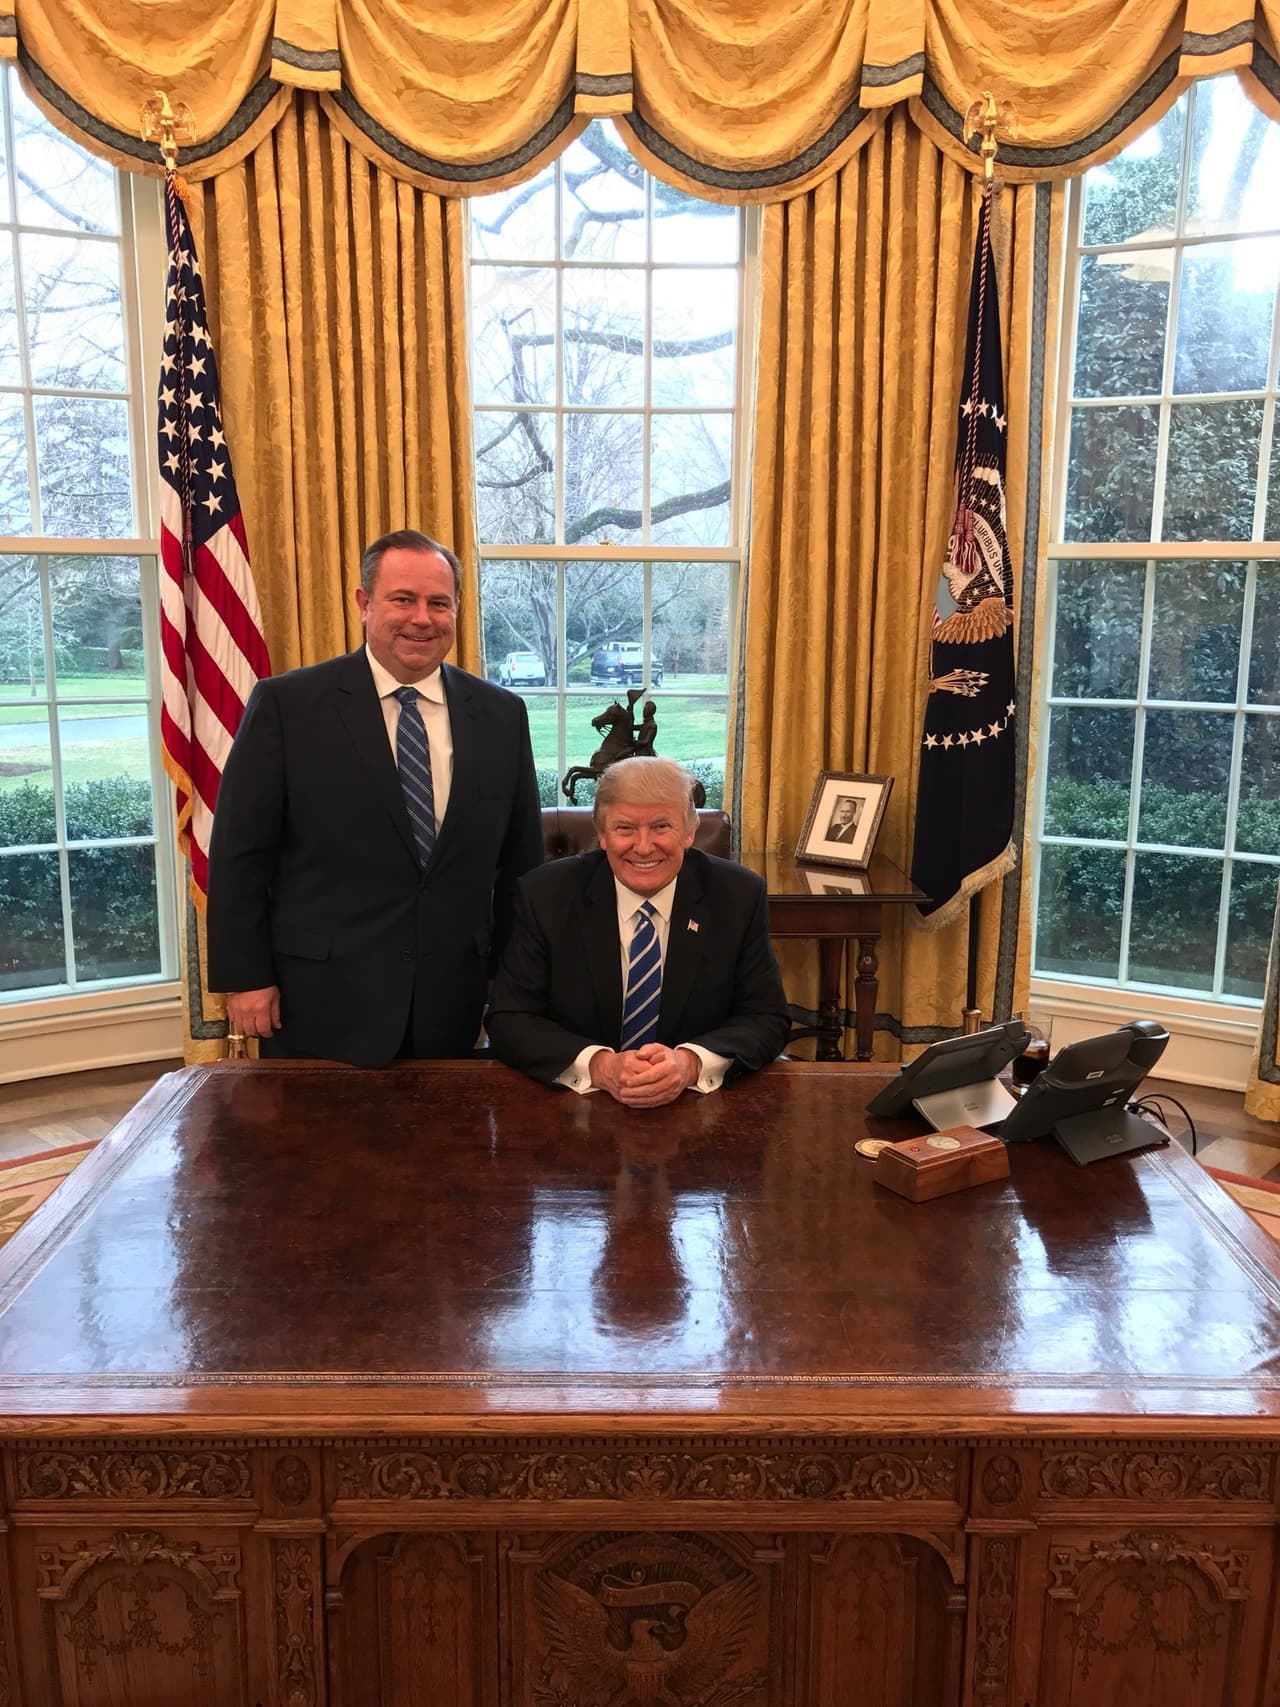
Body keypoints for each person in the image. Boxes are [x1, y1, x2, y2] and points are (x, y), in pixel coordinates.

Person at [206, 528, 543, 1066]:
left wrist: (515, 984)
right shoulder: (288, 706)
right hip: (318, 1001)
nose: (421, 618)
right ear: (364, 604)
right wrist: (245, 978)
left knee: (442, 1146)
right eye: (402, 599)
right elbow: (240, 856)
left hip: (451, 999)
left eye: (439, 602)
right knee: (317, 1150)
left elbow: (520, 861)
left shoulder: (501, 714)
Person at [486, 756, 791, 1105]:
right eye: (625, 828)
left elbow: (767, 1017)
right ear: (601, 834)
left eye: (662, 827)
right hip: (573, 1106)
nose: (644, 847)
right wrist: (600, 1066)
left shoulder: (738, 895)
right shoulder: (545, 894)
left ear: (690, 831)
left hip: (697, 1107)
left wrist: (689, 1063)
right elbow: (509, 1018)